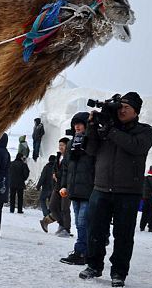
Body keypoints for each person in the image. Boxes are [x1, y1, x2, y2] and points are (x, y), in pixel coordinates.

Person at [78, 92, 152, 287]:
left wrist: (110, 129)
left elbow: (135, 146)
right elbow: (91, 150)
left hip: (128, 192)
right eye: (120, 107)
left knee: (123, 235)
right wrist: (93, 128)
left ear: (136, 111)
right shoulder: (107, 128)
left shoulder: (144, 131)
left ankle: (119, 272)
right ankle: (93, 265)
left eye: (126, 108)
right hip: (101, 188)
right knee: (95, 230)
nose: (121, 110)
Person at [60, 112, 95, 265]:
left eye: (80, 123)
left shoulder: (92, 142)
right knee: (80, 223)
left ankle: (81, 252)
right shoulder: (71, 144)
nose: (77, 126)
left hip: (88, 190)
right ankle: (84, 252)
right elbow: (66, 168)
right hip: (74, 190)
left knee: (82, 222)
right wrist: (64, 185)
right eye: (75, 124)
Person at [40, 137, 72, 237]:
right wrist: (54, 173)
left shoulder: (70, 157)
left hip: (66, 186)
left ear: (68, 146)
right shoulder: (58, 156)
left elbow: (67, 172)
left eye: (62, 145)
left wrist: (58, 175)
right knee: (53, 205)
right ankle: (62, 224)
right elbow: (55, 168)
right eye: (59, 145)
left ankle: (66, 228)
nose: (60, 147)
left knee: (64, 208)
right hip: (57, 186)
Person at [139, 165, 152, 232]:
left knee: (145, 212)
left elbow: (143, 188)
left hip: (146, 198)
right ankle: (151, 227)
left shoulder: (145, 178)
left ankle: (142, 226)